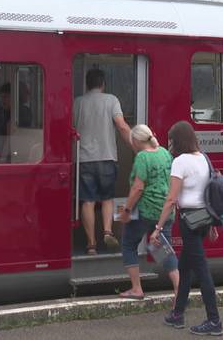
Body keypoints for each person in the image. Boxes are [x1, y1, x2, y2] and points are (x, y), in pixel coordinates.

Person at [151, 120, 223, 336]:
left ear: (178, 141)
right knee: (185, 267)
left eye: (171, 140)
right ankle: (178, 314)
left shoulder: (180, 162)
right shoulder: (204, 158)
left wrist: (158, 228)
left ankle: (214, 320)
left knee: (201, 270)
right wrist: (212, 224)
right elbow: (209, 192)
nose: (170, 144)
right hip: (203, 217)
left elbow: (171, 199)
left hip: (189, 220)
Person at [117, 124, 179, 300]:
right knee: (161, 249)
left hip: (146, 211)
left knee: (129, 244)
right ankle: (179, 289)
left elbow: (137, 188)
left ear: (136, 141)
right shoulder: (165, 154)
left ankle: (137, 288)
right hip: (165, 212)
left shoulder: (142, 157)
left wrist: (127, 210)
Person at [74, 68, 131, 255]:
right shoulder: (111, 100)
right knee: (107, 198)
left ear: (86, 84)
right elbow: (121, 126)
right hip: (107, 157)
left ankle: (91, 244)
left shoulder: (78, 103)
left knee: (88, 201)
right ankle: (108, 231)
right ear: (103, 83)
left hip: (84, 159)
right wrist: (136, 143)